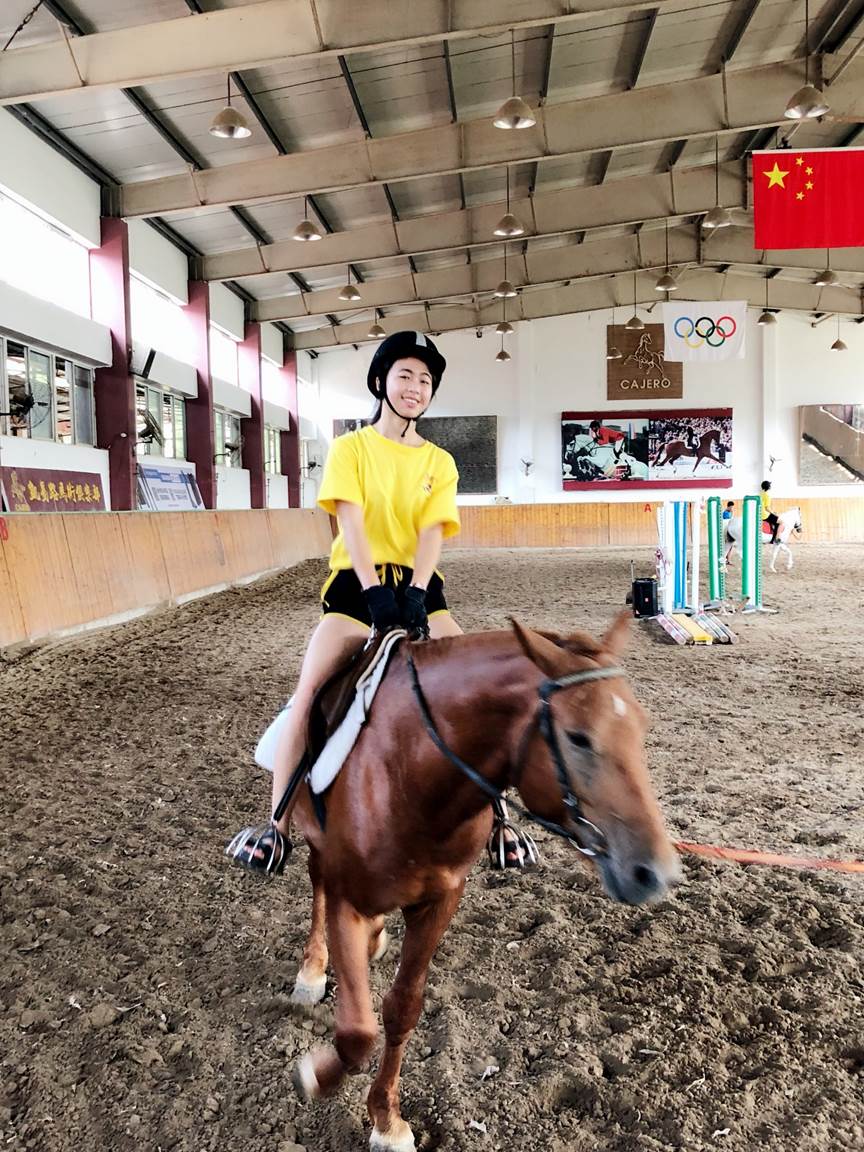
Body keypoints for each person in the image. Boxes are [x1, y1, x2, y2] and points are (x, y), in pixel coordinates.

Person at [227, 331, 530, 874]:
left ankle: (500, 820)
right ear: (380, 382)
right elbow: (351, 524)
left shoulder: (440, 461)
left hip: (420, 590)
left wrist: (415, 593)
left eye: (425, 380)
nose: (416, 387)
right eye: (405, 375)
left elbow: (433, 532)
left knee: (478, 687)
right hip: (355, 589)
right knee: (309, 693)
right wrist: (375, 595)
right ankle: (275, 826)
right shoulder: (351, 449)